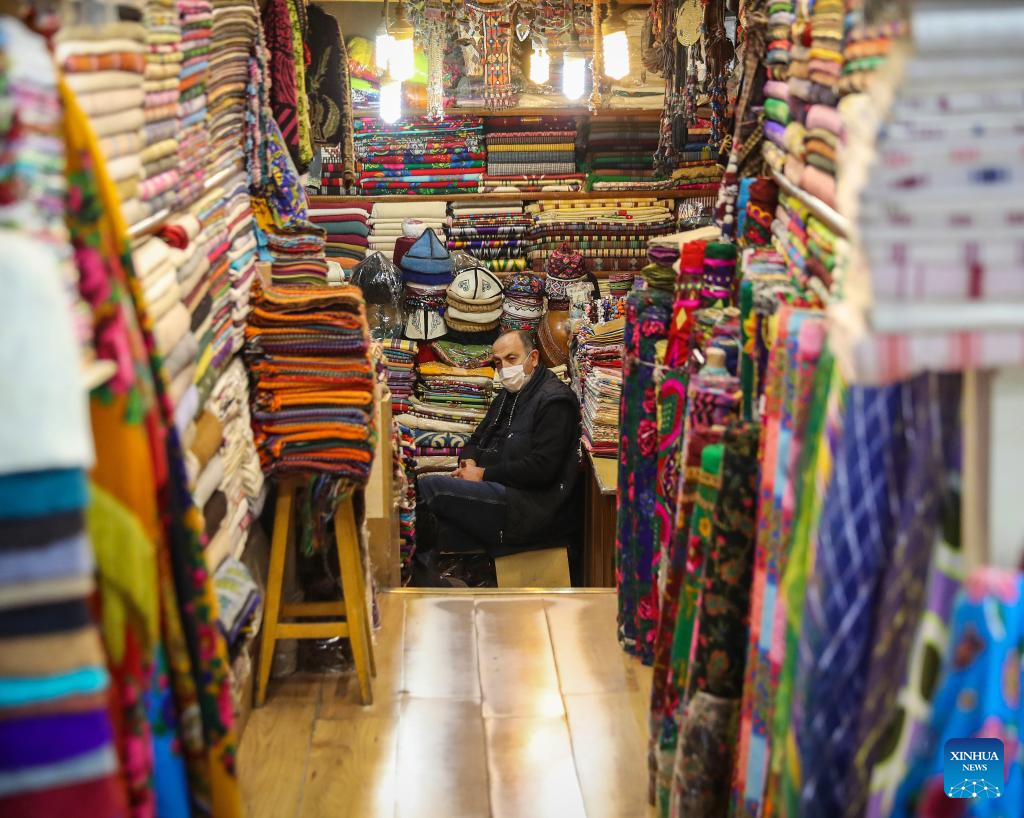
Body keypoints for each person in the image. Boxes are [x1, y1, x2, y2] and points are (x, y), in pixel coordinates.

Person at [415, 329, 581, 580]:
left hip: (531, 507)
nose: (504, 368)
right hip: (504, 491)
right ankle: (422, 586)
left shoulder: (555, 400)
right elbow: (477, 437)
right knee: (437, 523)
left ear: (533, 358)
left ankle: (417, 583)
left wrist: (482, 474)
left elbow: (542, 469)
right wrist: (469, 460)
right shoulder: (508, 396)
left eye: (512, 359)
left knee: (431, 488)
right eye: (498, 362)